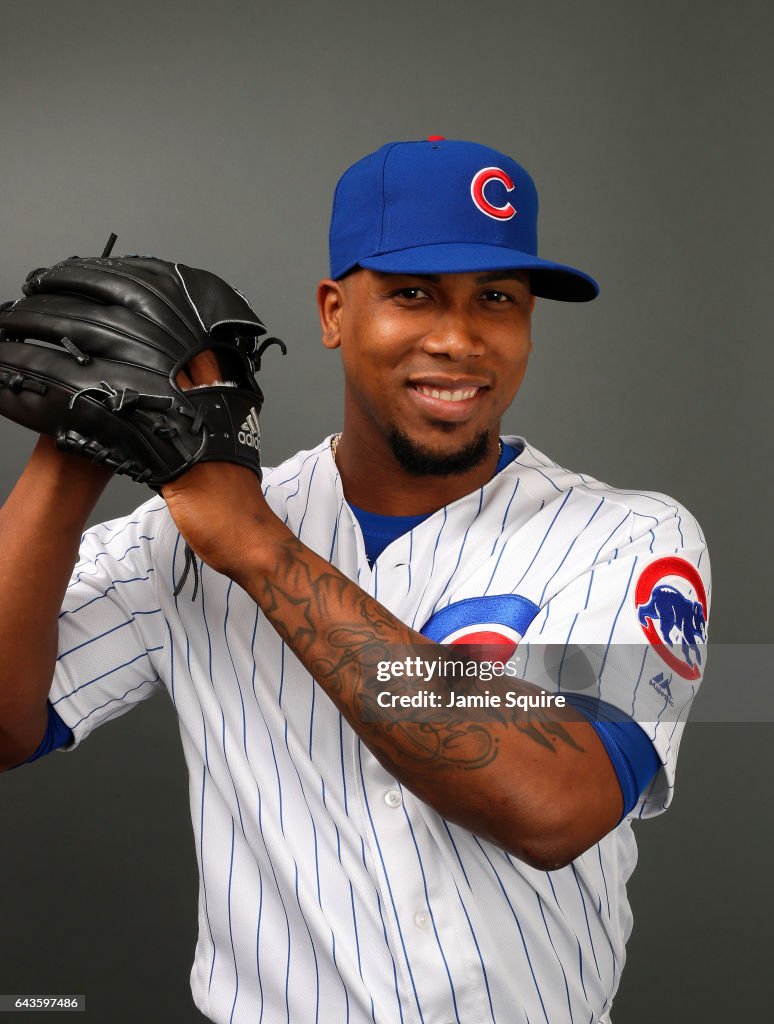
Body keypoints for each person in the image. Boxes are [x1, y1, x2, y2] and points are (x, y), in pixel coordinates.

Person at [0, 138, 710, 1023]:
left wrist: (259, 548)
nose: (458, 340)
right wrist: (69, 456)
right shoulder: (183, 533)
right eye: (413, 295)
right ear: (334, 311)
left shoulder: (631, 538)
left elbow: (554, 807)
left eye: (497, 300)